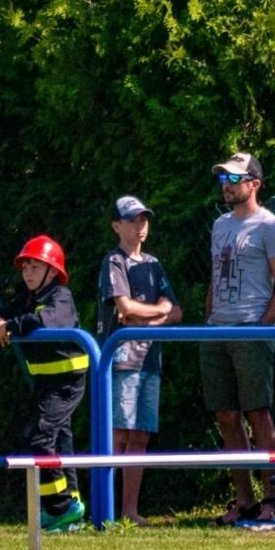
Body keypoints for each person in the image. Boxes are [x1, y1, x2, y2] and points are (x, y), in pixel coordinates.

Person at [201, 152, 275, 526]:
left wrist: (263, 325)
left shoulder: (270, 226)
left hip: (251, 330)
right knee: (225, 415)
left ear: (254, 184)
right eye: (223, 180)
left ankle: (271, 499)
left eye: (234, 179)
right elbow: (214, 277)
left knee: (259, 414)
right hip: (216, 331)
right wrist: (208, 319)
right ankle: (244, 500)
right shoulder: (220, 225)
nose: (227, 186)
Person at [0, 236, 88, 533]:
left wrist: (11, 326)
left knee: (39, 438)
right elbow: (3, 316)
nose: (28, 272)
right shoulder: (28, 298)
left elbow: (47, 321)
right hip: (46, 381)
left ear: (53, 271)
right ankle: (70, 507)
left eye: (35, 266)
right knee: (59, 441)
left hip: (66, 382)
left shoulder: (61, 296)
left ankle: (60, 507)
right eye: (25, 266)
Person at [96, 196, 181, 523]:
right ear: (116, 226)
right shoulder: (113, 262)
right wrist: (159, 310)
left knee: (141, 436)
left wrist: (157, 315)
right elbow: (125, 307)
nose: (140, 226)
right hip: (121, 360)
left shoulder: (154, 263)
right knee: (118, 434)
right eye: (132, 220)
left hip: (150, 361)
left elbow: (176, 311)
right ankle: (106, 510)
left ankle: (130, 512)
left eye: (143, 219)